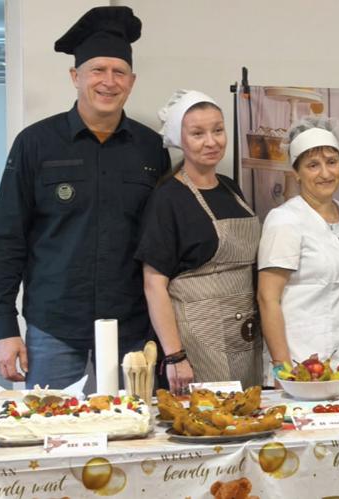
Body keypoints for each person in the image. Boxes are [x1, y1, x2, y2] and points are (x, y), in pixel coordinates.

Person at [0, 7, 170, 387]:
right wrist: (3, 327)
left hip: (133, 330)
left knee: (137, 421)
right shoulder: (35, 144)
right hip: (54, 329)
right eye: (97, 70)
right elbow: (6, 239)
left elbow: (162, 242)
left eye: (119, 72)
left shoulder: (150, 148)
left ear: (132, 81)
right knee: (52, 423)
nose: (109, 81)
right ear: (75, 76)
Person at [136, 90, 262, 393]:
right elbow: (154, 284)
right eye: (197, 133)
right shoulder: (167, 198)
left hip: (244, 334)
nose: (211, 141)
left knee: (247, 413)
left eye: (218, 130)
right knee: (206, 416)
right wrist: (174, 355)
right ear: (180, 138)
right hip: (196, 339)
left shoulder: (231, 189)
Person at [257, 117, 339, 386]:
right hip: (303, 372)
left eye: (332, 162)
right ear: (296, 172)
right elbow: (267, 298)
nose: (325, 173)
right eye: (313, 165)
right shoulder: (285, 220)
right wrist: (283, 371)